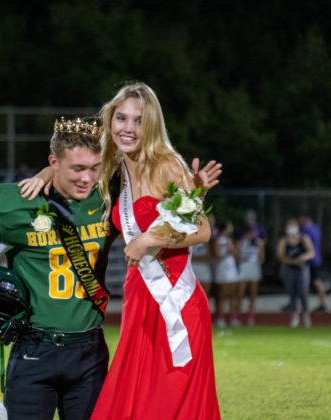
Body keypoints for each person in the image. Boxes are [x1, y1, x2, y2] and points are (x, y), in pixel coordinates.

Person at [0, 120, 112, 420]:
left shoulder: (108, 198)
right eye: (77, 168)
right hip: (34, 348)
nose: (88, 178)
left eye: (95, 167)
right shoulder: (20, 203)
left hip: (89, 352)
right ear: (54, 162)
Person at [90, 82, 220, 419]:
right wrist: (48, 171)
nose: (128, 128)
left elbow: (202, 230)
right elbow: (68, 160)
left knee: (160, 406)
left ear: (151, 125)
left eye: (139, 120)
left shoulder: (166, 165)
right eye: (121, 118)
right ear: (110, 119)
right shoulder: (115, 165)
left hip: (175, 304)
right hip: (139, 300)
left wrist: (148, 239)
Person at [276, 218, 315, 328]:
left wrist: (303, 258)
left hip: (302, 269)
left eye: (293, 225)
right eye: (289, 226)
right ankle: (295, 316)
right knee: (292, 293)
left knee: (303, 292)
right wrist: (293, 261)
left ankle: (306, 315)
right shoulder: (284, 241)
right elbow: (280, 255)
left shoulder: (304, 238)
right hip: (289, 269)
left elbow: (312, 252)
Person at [235, 222, 265, 327]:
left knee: (253, 293)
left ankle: (251, 316)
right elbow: (237, 258)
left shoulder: (258, 243)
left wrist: (261, 247)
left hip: (254, 268)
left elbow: (261, 259)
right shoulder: (240, 243)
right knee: (240, 293)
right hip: (243, 269)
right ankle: (237, 315)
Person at [298, 210, 327, 312]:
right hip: (316, 258)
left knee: (315, 281)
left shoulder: (306, 230)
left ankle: (320, 304)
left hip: (311, 260)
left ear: (305, 219)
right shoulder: (316, 229)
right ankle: (322, 303)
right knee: (316, 281)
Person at [213, 220, 240, 327]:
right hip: (223, 268)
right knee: (222, 295)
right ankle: (220, 318)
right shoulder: (218, 240)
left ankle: (233, 317)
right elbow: (217, 255)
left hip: (231, 267)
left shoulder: (229, 240)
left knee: (233, 294)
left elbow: (234, 253)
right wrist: (226, 252)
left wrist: (232, 251)